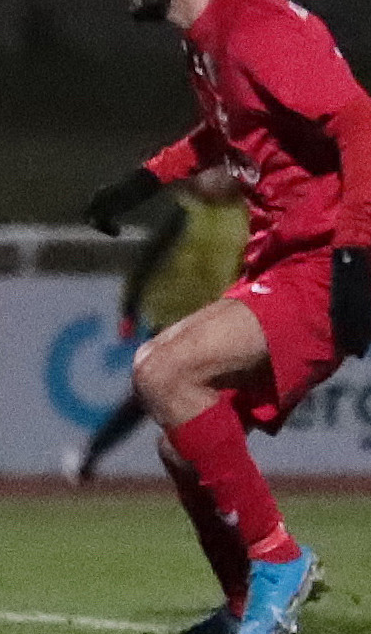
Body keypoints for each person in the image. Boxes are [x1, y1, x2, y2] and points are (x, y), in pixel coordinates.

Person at [85, 0, 371, 634]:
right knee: (181, 438)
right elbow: (233, 129)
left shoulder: (257, 28)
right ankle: (242, 600)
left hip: (324, 263)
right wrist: (145, 180)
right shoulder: (208, 37)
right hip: (286, 259)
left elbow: (366, 129)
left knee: (160, 371)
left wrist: (352, 256)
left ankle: (277, 558)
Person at [63, 164, 246, 484]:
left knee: (213, 396)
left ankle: (207, 466)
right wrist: (129, 312)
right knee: (152, 397)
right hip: (170, 320)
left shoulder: (244, 217)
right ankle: (91, 454)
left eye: (224, 173)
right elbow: (146, 262)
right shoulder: (185, 212)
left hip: (213, 321)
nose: (217, 179)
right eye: (210, 172)